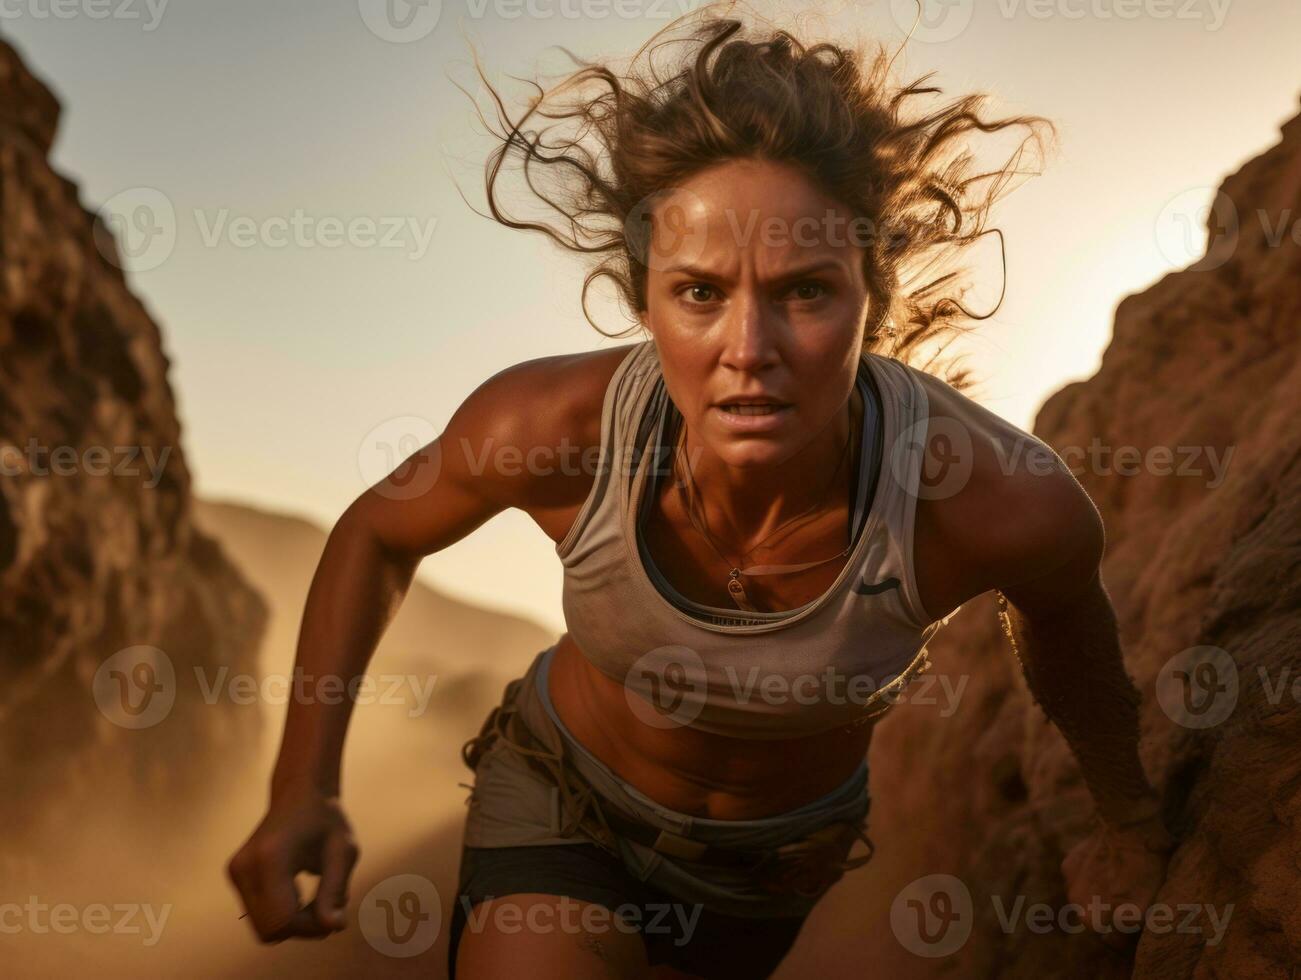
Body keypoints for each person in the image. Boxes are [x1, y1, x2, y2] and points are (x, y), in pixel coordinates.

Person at [227, 8, 1175, 978]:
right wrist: (302, 782)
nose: (748, 350)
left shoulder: (991, 498)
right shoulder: (552, 429)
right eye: (698, 293)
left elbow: (1064, 624)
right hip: (561, 805)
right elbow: (379, 532)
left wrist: (1130, 820)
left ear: (871, 300)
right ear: (643, 301)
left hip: (769, 876)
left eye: (804, 290)